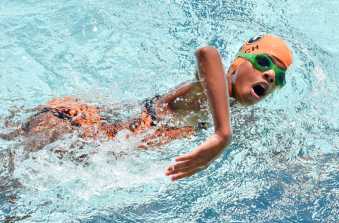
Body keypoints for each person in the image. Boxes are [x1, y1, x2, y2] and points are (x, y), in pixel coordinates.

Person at [0, 34, 293, 181]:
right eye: (263, 63)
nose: (269, 75)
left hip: (86, 138)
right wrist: (222, 135)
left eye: (278, 77)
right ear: (237, 65)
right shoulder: (206, 92)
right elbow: (207, 53)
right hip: (70, 124)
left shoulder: (236, 110)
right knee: (10, 187)